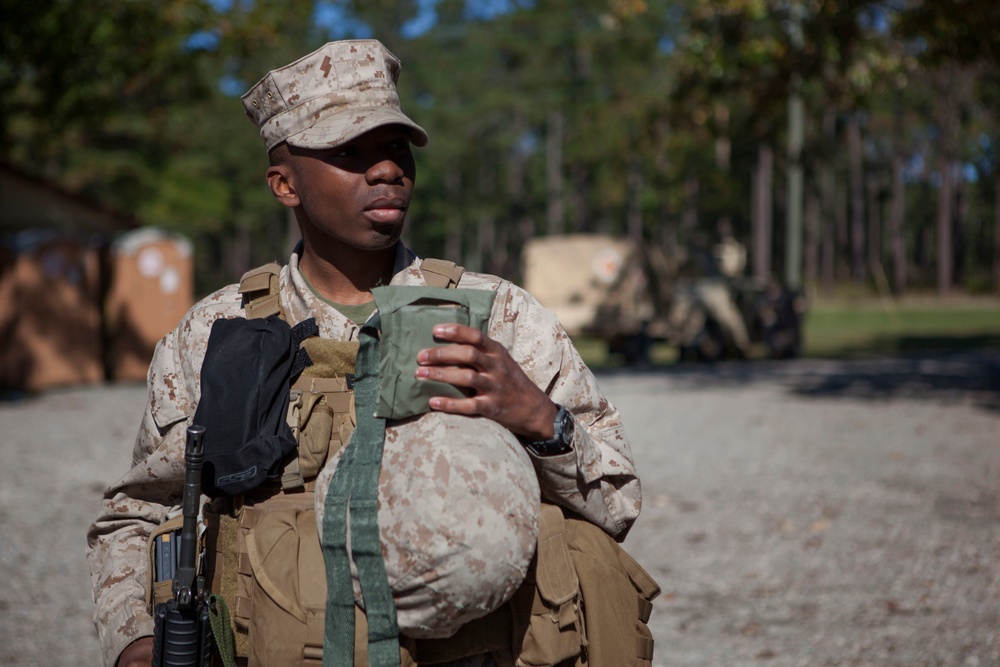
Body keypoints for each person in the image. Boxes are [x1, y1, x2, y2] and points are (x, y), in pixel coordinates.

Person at [88, 39, 643, 667]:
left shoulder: (496, 315)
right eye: (350, 153)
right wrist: (134, 636)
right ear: (283, 182)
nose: (386, 171)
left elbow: (618, 503)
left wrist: (539, 418)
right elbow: (141, 512)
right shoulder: (216, 332)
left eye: (396, 149)